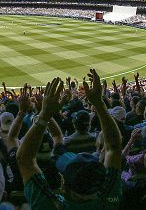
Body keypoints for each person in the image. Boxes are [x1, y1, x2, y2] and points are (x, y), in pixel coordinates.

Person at [18, 71, 123, 209]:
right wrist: (99, 103)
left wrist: (44, 114)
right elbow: (114, 147)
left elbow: (24, 160)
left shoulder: (49, 206)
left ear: (63, 185)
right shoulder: (109, 200)